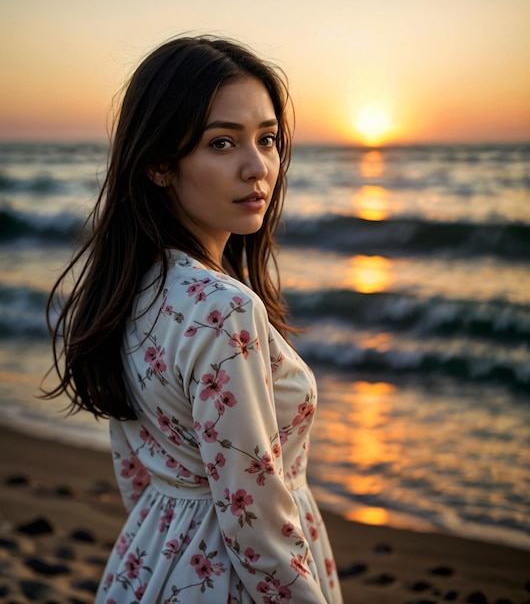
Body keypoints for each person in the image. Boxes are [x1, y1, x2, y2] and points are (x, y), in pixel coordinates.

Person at [44, 35, 343, 604]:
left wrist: (171, 544)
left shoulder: (129, 287)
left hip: (149, 557)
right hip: (228, 580)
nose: (257, 167)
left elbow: (134, 462)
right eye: (222, 142)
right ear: (159, 164)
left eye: (268, 139)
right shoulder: (223, 308)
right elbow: (255, 522)